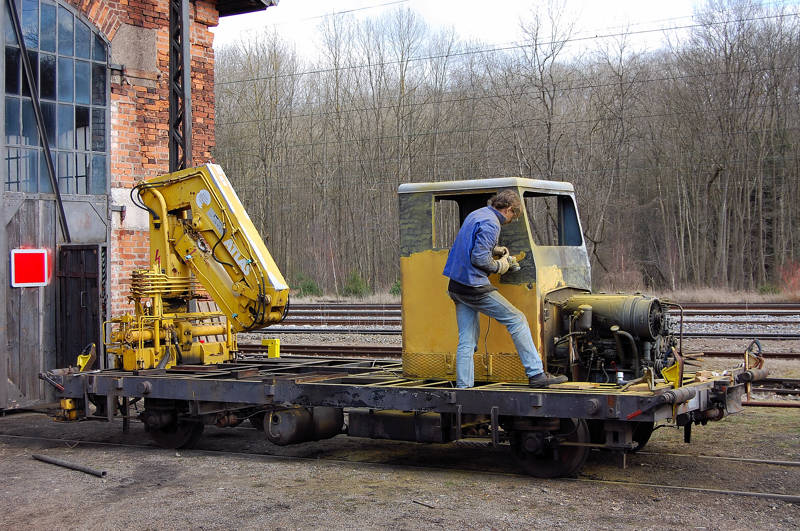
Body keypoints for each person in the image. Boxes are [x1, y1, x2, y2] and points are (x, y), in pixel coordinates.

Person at [443, 190, 568, 389]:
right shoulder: (493, 223)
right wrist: (501, 265)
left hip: (456, 286)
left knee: (466, 340)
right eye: (512, 217)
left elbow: (470, 245)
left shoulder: (477, 214)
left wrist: (495, 250)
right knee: (517, 319)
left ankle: (463, 388)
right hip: (473, 286)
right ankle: (536, 374)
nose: (509, 221)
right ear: (509, 209)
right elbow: (479, 259)